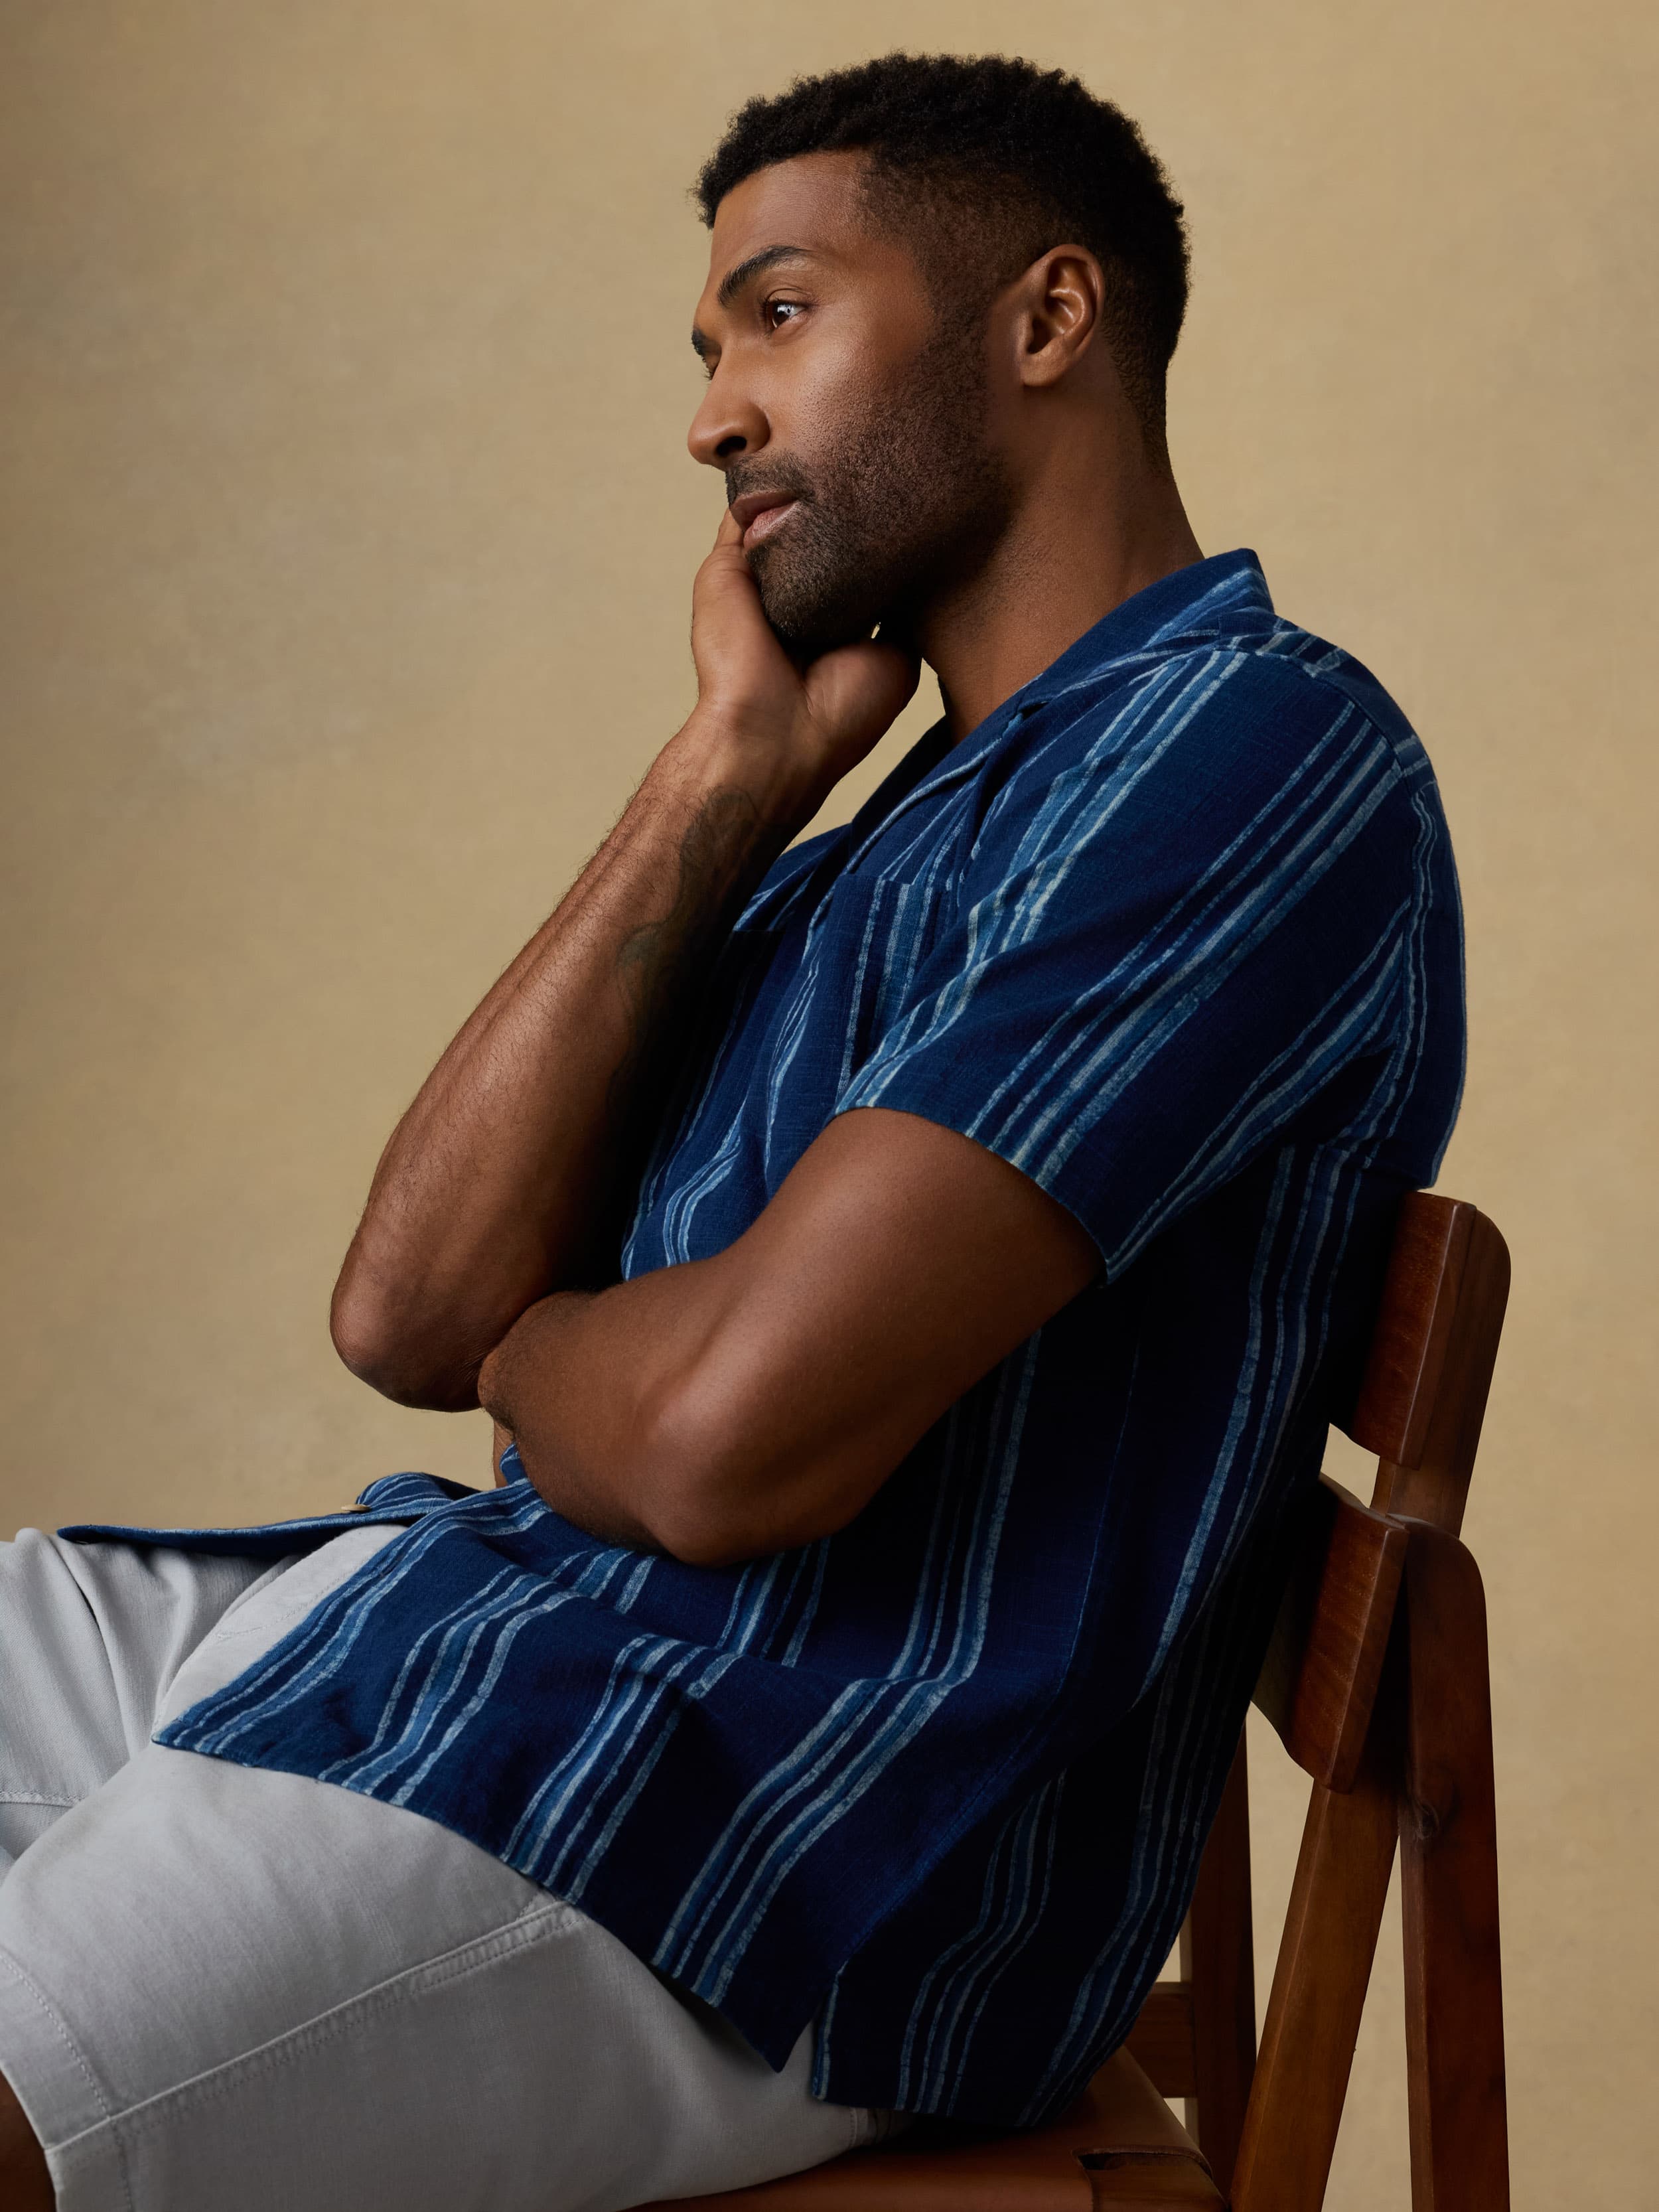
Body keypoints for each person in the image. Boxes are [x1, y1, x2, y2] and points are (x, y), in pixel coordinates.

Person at [0, 50, 1465, 2212]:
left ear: (1047, 319)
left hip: (745, 1836)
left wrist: (541, 1354)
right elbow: (408, 1310)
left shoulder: (1247, 754)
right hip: (445, 1639)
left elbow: (713, 1447)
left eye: (776, 317)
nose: (711, 418)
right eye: (707, 351)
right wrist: (724, 773)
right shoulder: (884, 830)